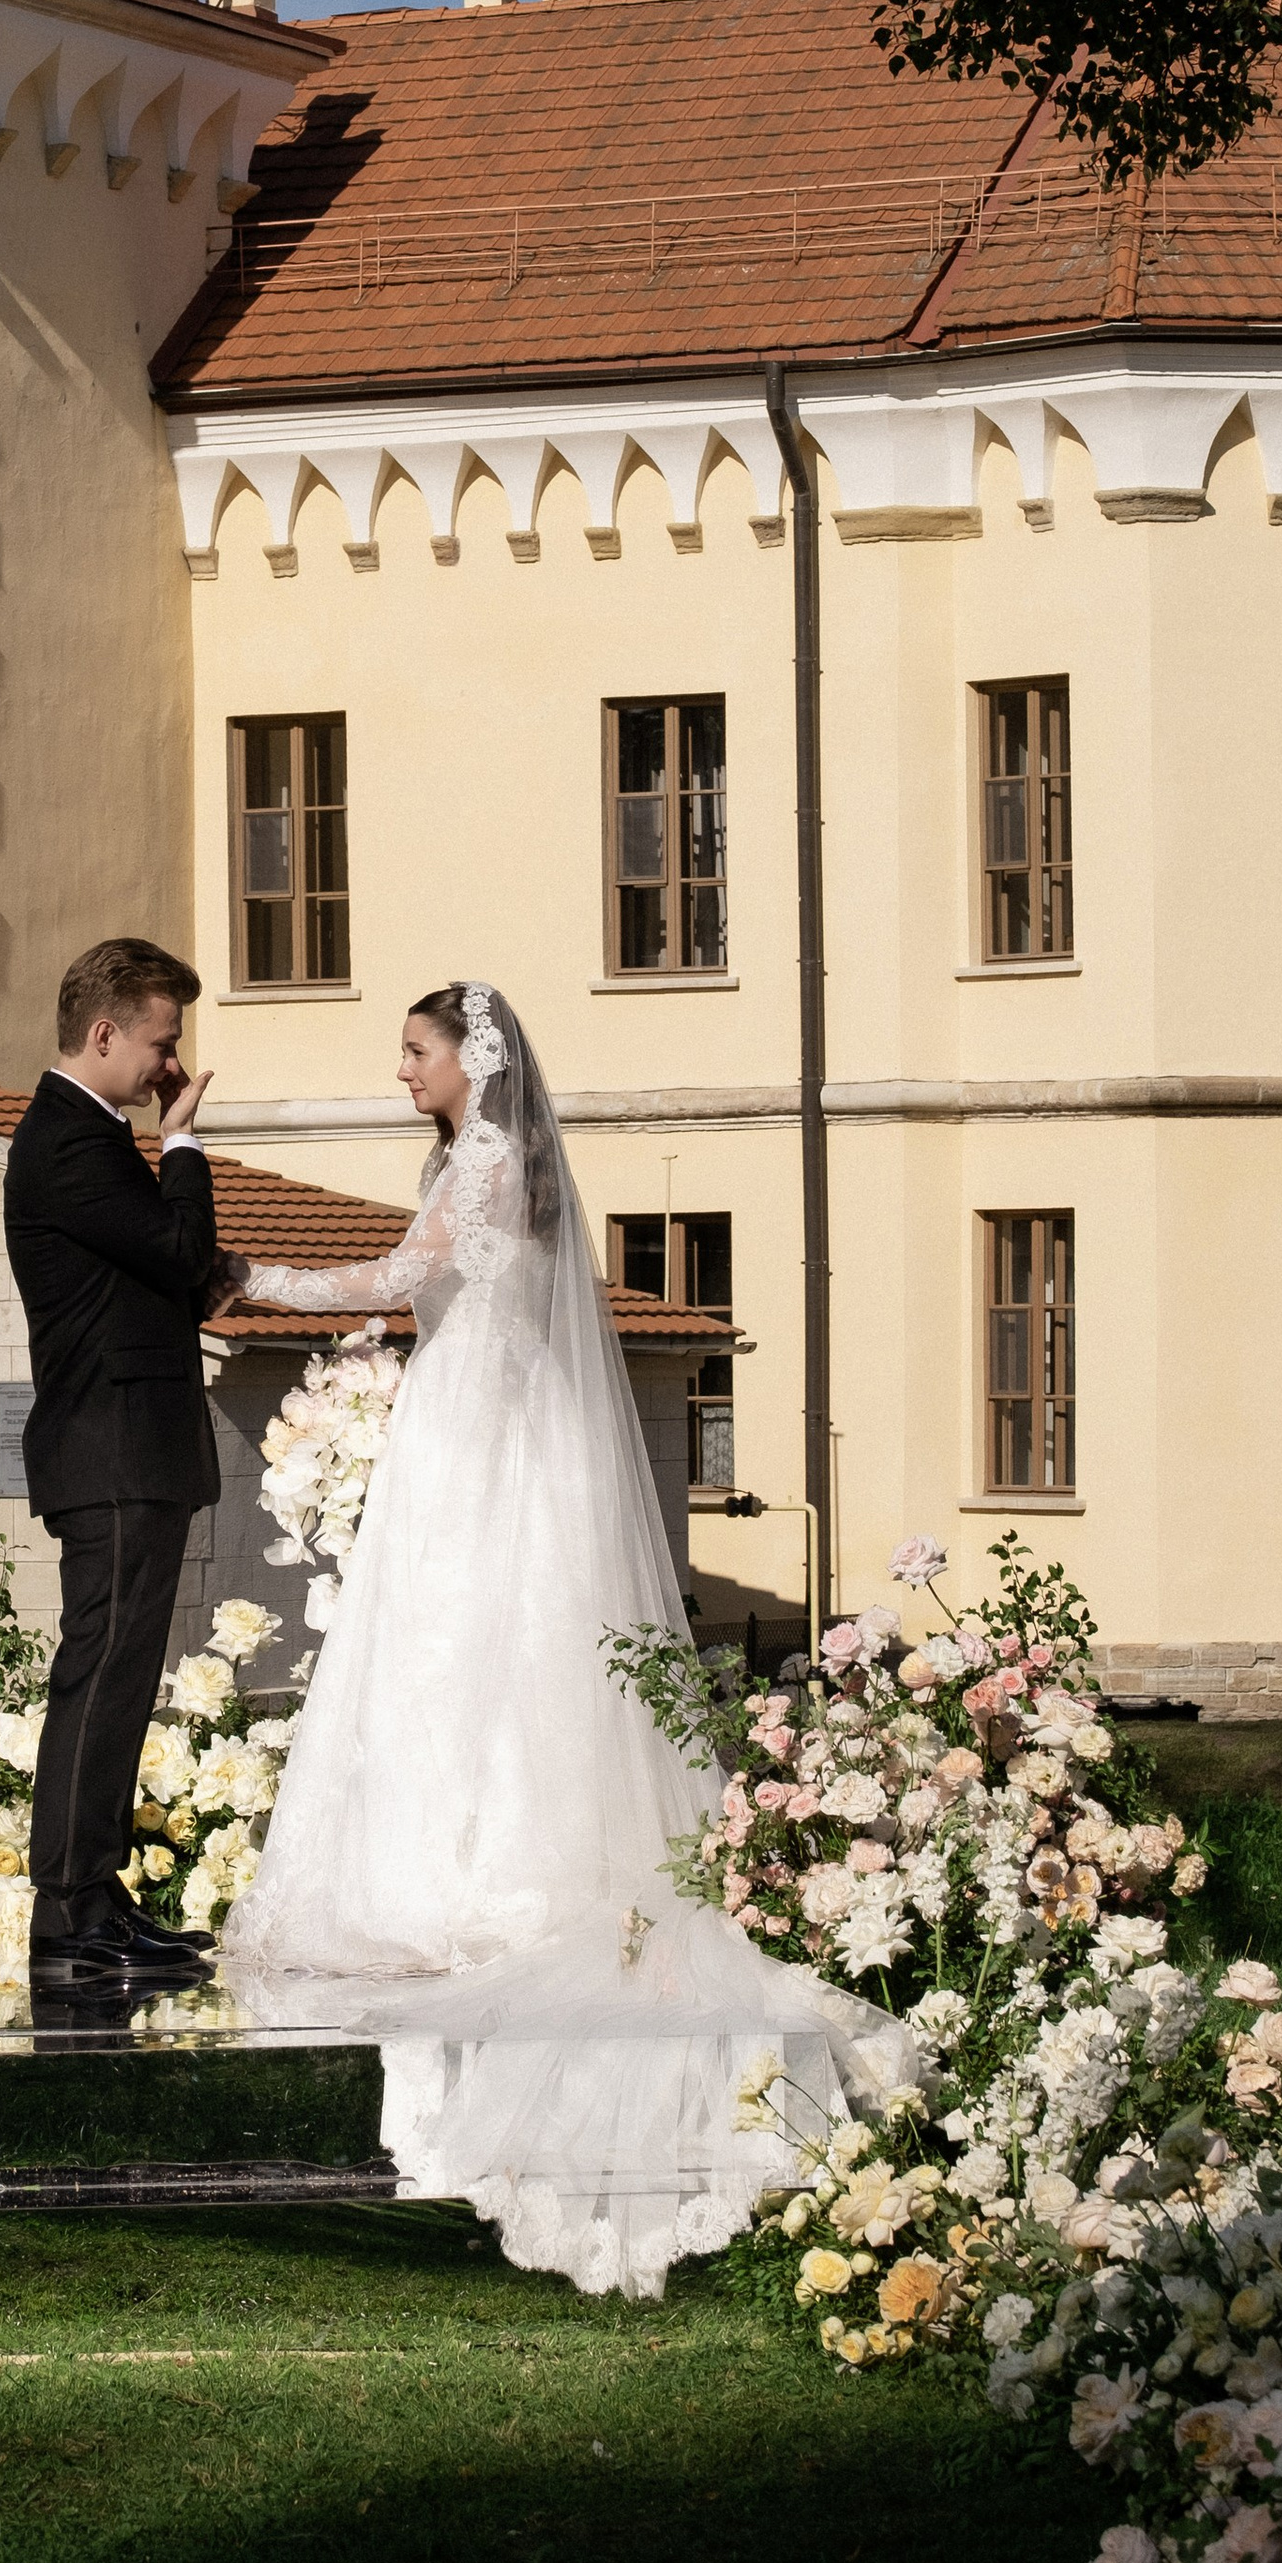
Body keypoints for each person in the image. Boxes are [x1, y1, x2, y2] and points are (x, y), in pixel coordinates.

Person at [217, 979, 919, 2296]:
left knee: (459, 1656)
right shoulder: (491, 1156)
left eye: (414, 1053)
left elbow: (398, 1278)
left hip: (473, 1436)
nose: (401, 1074)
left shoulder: (485, 1162)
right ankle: (488, 1862)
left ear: (466, 1063)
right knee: (473, 1657)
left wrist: (249, 1276)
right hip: (489, 1425)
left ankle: (473, 1882)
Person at [2, 936, 232, 1989]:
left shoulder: (91, 1143)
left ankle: (93, 1895)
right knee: (99, 1677)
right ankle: (68, 1911)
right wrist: (182, 1143)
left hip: (127, 1448)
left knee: (118, 1679)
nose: (167, 1068)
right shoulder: (69, 1143)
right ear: (104, 1032)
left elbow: (174, 1283)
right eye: (160, 1042)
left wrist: (165, 1155)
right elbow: (186, 1257)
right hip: (112, 1448)